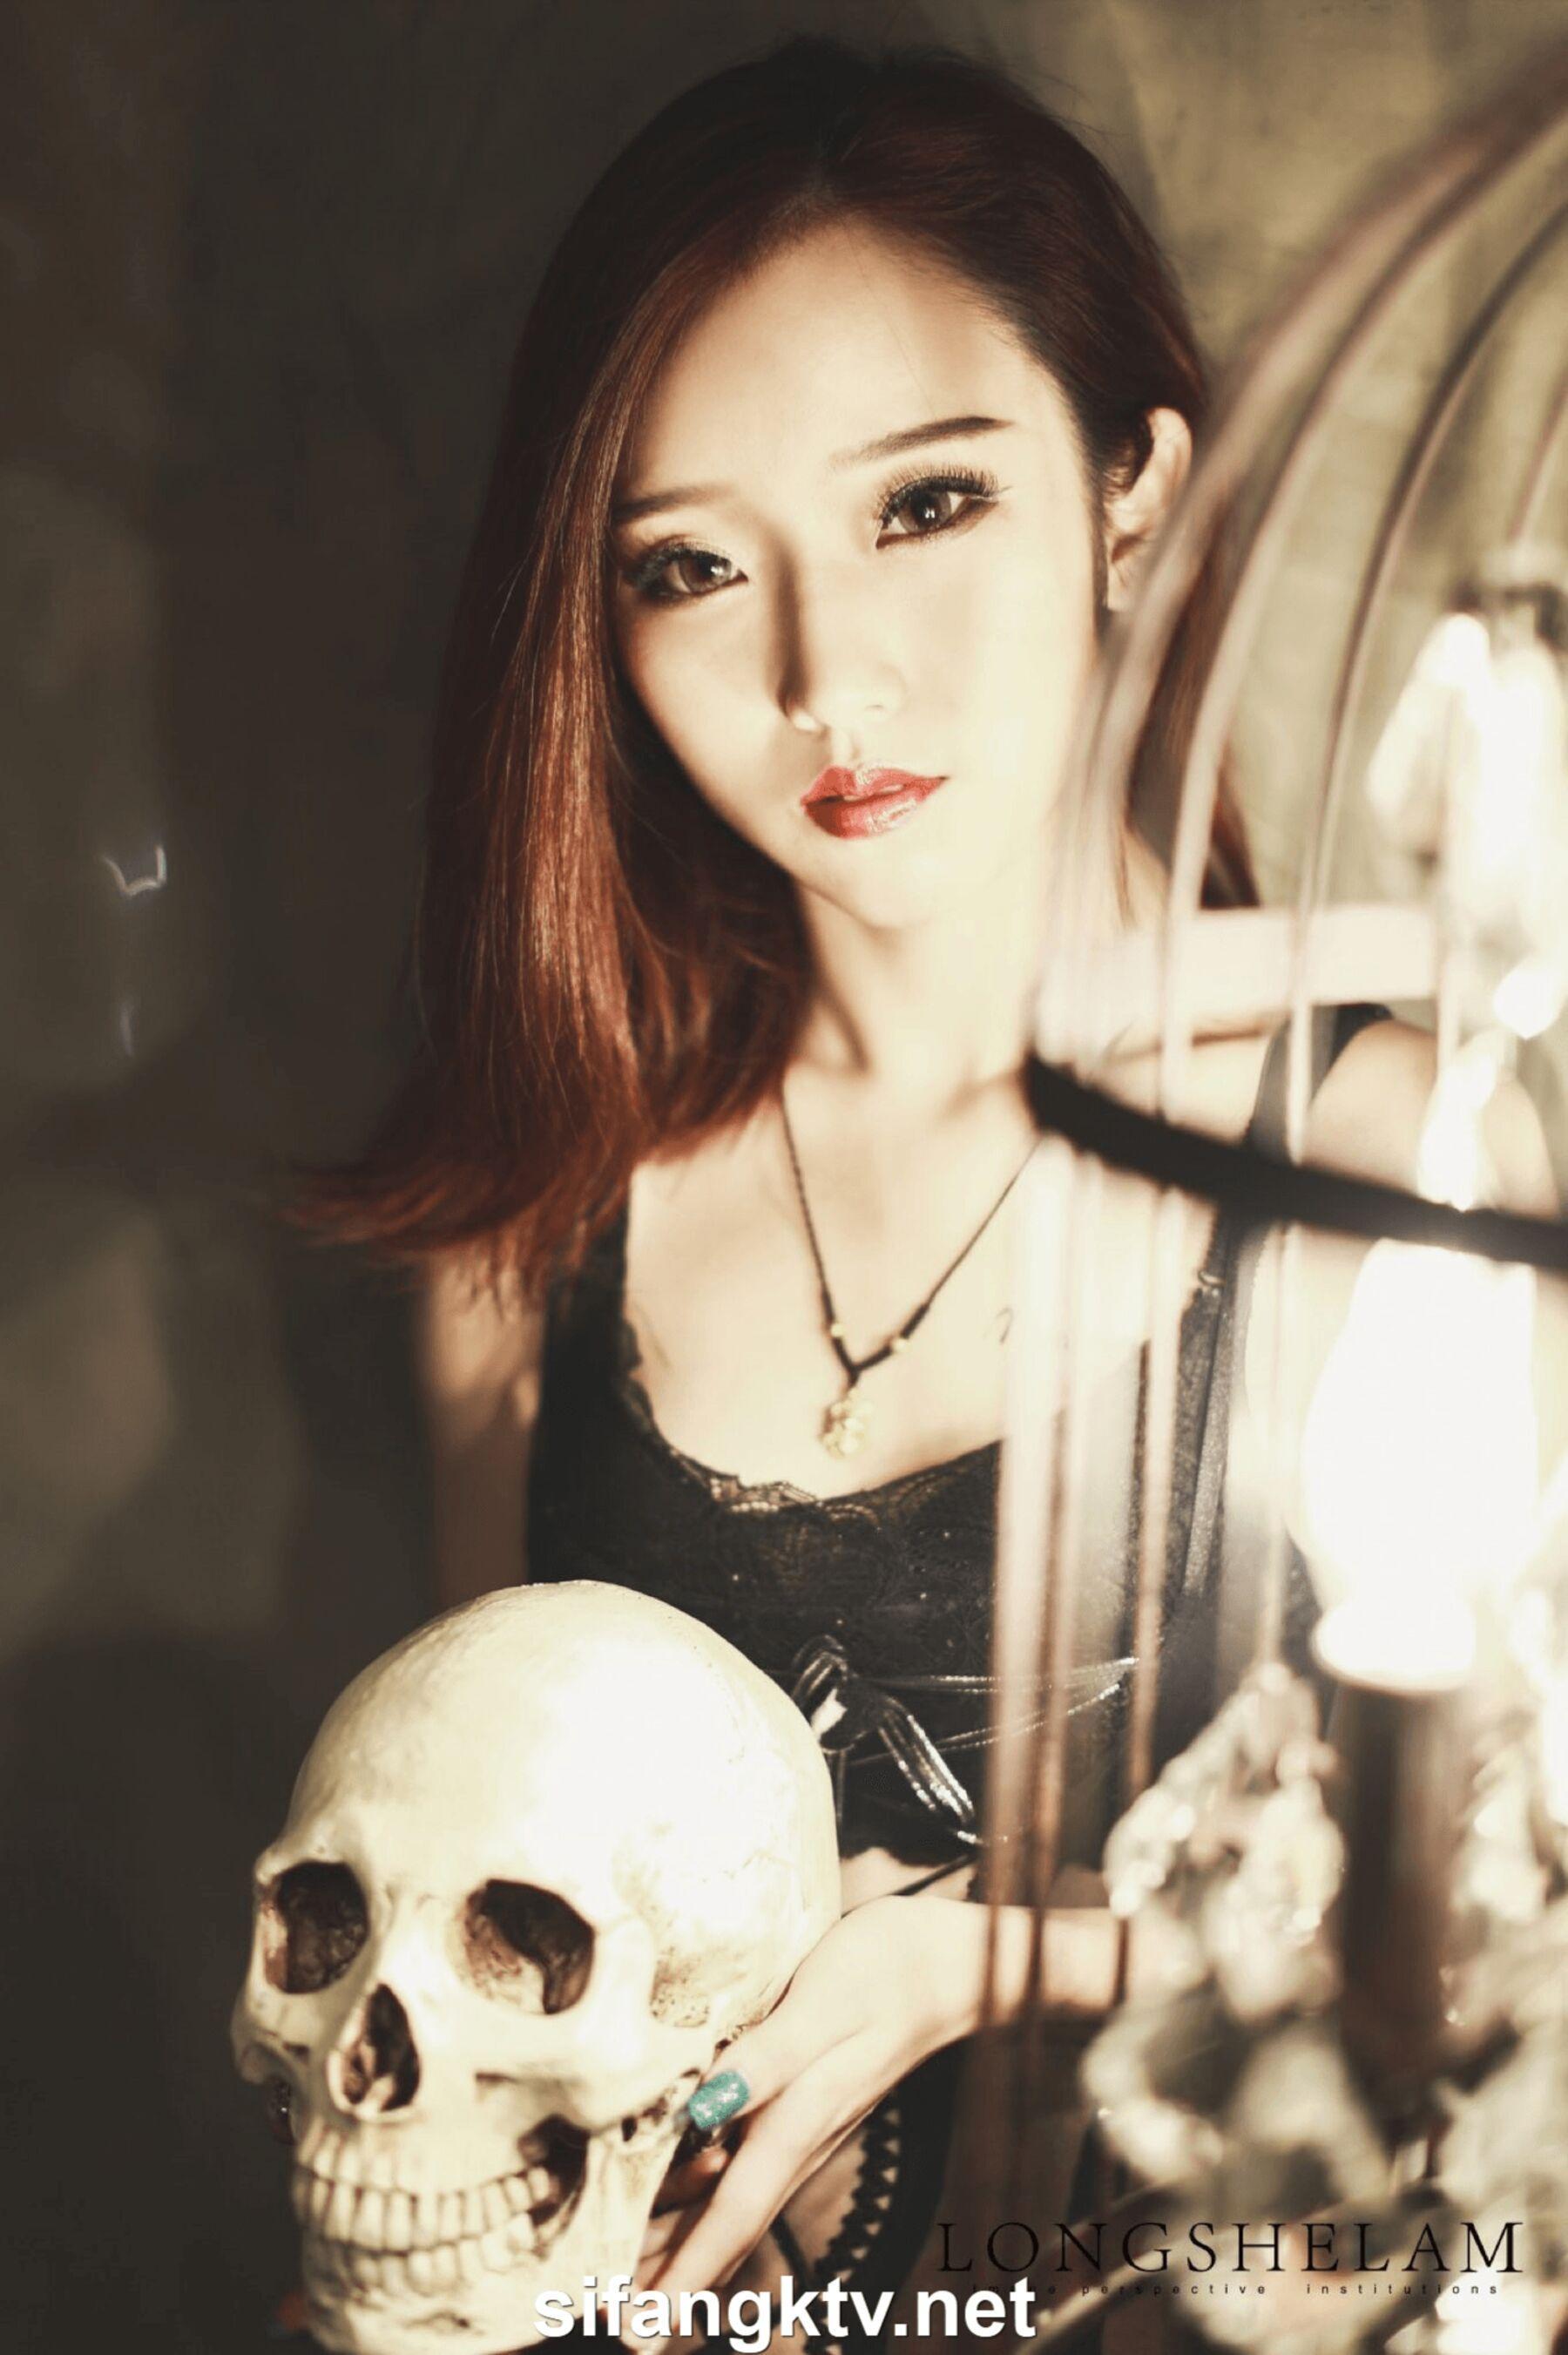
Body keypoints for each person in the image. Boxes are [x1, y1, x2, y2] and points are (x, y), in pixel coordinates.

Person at [302, 35, 1554, 2329]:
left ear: (1131, 494)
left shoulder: (1389, 1170)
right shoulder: (532, 1227)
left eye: (924, 505)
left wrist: (991, 1956)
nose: (825, 677)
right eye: (693, 565)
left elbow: (1519, 1978)